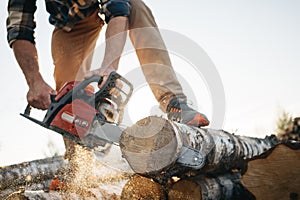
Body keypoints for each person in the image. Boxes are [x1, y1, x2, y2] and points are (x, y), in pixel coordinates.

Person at [6, 0, 210, 187]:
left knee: (137, 8)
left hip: (113, 6)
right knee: (67, 85)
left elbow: (118, 8)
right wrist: (35, 82)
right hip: (69, 22)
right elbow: (19, 28)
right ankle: (77, 165)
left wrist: (108, 68)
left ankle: (174, 101)